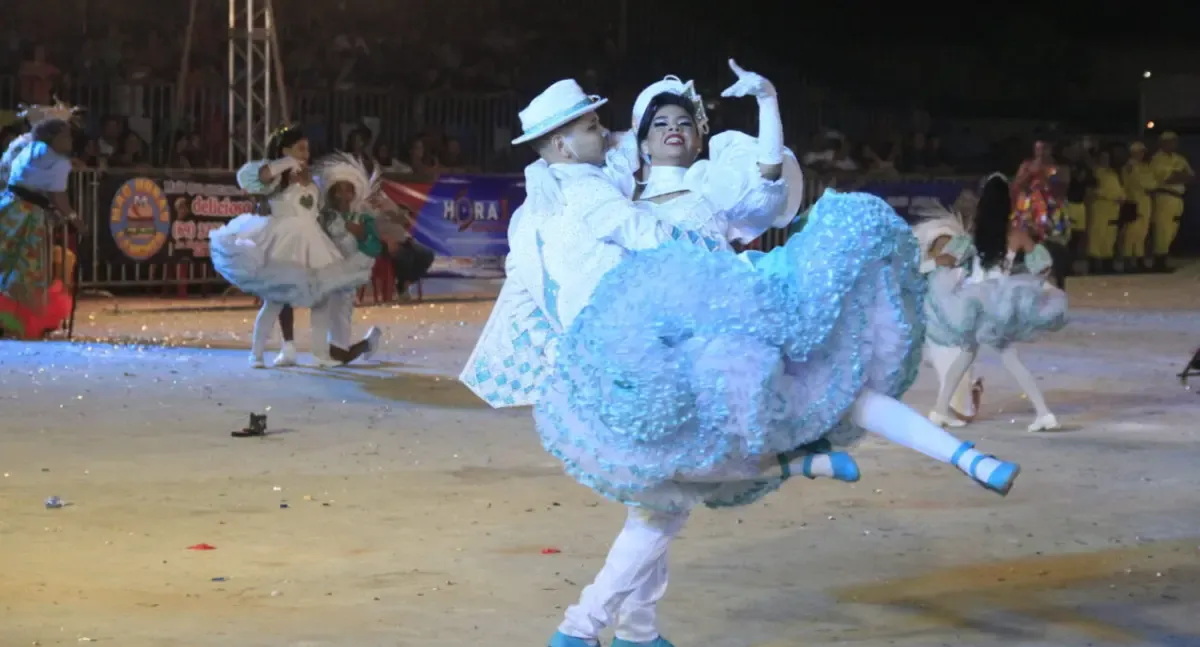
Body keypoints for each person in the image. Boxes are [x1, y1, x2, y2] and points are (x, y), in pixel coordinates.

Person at [208, 126, 375, 368]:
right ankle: (256, 354)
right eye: (300, 148)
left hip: (312, 242)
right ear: (286, 150)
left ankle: (320, 355)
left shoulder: (313, 180)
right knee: (275, 300)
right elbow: (253, 177)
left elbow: (317, 210)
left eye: (307, 148)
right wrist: (286, 162)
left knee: (322, 298)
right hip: (285, 241)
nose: (306, 153)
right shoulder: (278, 176)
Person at [924, 174, 1068, 432]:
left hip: (972, 302)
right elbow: (1043, 265)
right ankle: (1043, 412)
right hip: (998, 304)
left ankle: (940, 410)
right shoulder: (1016, 235)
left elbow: (947, 260)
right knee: (1005, 357)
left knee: (969, 353)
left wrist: (924, 266)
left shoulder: (972, 237)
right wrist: (1027, 284)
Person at [0, 100, 85, 340]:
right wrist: (72, 217)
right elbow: (55, 193)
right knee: (24, 268)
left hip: (10, 207)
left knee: (9, 263)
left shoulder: (26, 147)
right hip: (25, 215)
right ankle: (16, 319)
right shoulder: (48, 156)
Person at [1012, 140, 1071, 288]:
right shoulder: (1026, 165)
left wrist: (1045, 173)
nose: (1040, 152)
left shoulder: (1060, 168)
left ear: (1050, 149)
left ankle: (1058, 283)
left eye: (1044, 148)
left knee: (1055, 247)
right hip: (1030, 213)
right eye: (1037, 149)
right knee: (1030, 246)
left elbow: (1061, 189)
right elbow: (1017, 185)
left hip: (1052, 214)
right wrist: (1030, 173)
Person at [1148, 131, 1194, 272]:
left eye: (1174, 141)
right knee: (1163, 229)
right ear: (1162, 143)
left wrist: (1178, 175)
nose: (1173, 143)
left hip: (1178, 198)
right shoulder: (1157, 159)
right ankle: (1159, 261)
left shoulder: (1179, 158)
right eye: (1169, 141)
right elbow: (1166, 178)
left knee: (1172, 229)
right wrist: (1179, 175)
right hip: (1164, 197)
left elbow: (1191, 177)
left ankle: (1164, 258)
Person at [1121, 141, 1156, 273]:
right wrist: (1148, 186)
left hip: (1145, 202)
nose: (1141, 154)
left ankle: (1139, 259)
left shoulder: (1144, 167)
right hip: (1134, 202)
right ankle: (1128, 260)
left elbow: (1153, 182)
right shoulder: (1130, 166)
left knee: (1142, 232)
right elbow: (1142, 182)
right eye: (1139, 152)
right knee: (1131, 232)